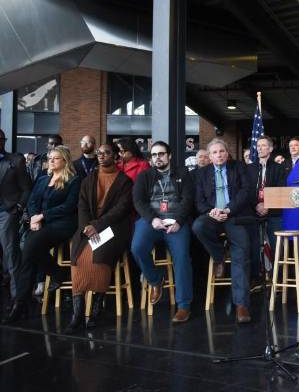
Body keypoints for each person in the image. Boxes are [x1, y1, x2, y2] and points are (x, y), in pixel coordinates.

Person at [3, 146, 81, 323]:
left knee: (29, 249)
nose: (51, 161)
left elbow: (69, 207)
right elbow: (32, 200)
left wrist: (42, 216)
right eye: (50, 158)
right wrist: (33, 218)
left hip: (62, 224)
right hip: (40, 223)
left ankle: (20, 305)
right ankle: (56, 275)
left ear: (65, 161)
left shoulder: (73, 180)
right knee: (28, 253)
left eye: (55, 158)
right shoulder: (43, 177)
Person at [65, 143, 133, 331]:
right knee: (77, 256)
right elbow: (83, 206)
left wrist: (97, 225)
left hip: (114, 228)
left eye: (106, 153)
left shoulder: (125, 181)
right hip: (88, 228)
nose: (102, 156)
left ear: (115, 156)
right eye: (99, 153)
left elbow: (121, 209)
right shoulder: (89, 179)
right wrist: (88, 226)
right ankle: (77, 314)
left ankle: (95, 310)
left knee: (100, 254)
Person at [130, 141, 194, 323]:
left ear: (169, 155)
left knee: (181, 257)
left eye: (161, 154)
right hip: (152, 221)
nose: (157, 158)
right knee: (137, 248)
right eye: (154, 155)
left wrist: (179, 221)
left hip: (176, 222)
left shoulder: (183, 173)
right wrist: (153, 219)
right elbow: (139, 201)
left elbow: (188, 199)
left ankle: (183, 306)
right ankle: (156, 280)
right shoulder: (145, 175)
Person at [192, 139, 254, 323]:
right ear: (209, 156)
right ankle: (219, 257)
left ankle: (241, 305)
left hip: (234, 215)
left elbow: (246, 191)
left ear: (227, 153)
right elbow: (199, 200)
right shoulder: (202, 173)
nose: (218, 155)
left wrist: (228, 210)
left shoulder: (239, 167)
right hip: (212, 215)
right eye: (214, 152)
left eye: (221, 151)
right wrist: (211, 211)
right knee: (198, 226)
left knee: (241, 254)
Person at [247, 136, 286, 282]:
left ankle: (275, 278)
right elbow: (246, 190)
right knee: (254, 247)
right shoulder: (249, 168)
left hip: (274, 213)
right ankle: (258, 278)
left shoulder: (279, 168)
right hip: (254, 213)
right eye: (258, 146)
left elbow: (281, 189)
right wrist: (256, 205)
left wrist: (267, 205)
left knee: (276, 247)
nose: (260, 148)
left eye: (263, 146)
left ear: (270, 148)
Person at [0, 129, 32, 300]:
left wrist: (18, 208)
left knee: (11, 256)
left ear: (3, 141)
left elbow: (26, 188)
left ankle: (17, 301)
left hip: (7, 212)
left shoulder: (16, 160)